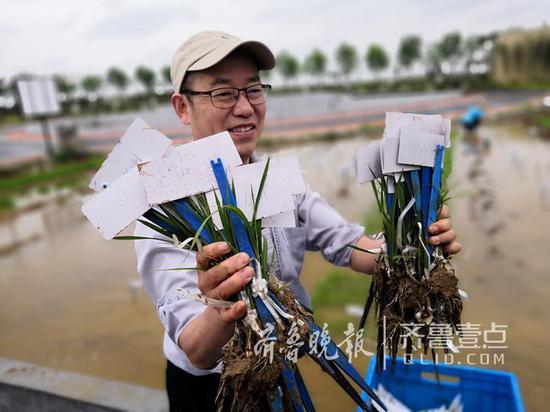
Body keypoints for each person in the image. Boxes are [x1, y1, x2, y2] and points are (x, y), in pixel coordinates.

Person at [135, 30, 462, 412]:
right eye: (223, 93)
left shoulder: (278, 179)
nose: (244, 108)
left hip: (283, 364)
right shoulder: (167, 206)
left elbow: (345, 244)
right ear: (182, 107)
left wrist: (409, 248)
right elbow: (195, 348)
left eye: (253, 90)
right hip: (213, 388)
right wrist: (220, 306)